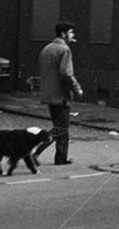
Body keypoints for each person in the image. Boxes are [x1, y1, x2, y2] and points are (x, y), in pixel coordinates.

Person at [33, 21, 84, 165]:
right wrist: (77, 88)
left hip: (48, 94)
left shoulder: (47, 48)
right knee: (61, 127)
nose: (73, 35)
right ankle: (36, 151)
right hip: (60, 95)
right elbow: (66, 73)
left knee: (61, 126)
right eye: (71, 32)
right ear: (63, 34)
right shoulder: (64, 49)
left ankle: (61, 158)